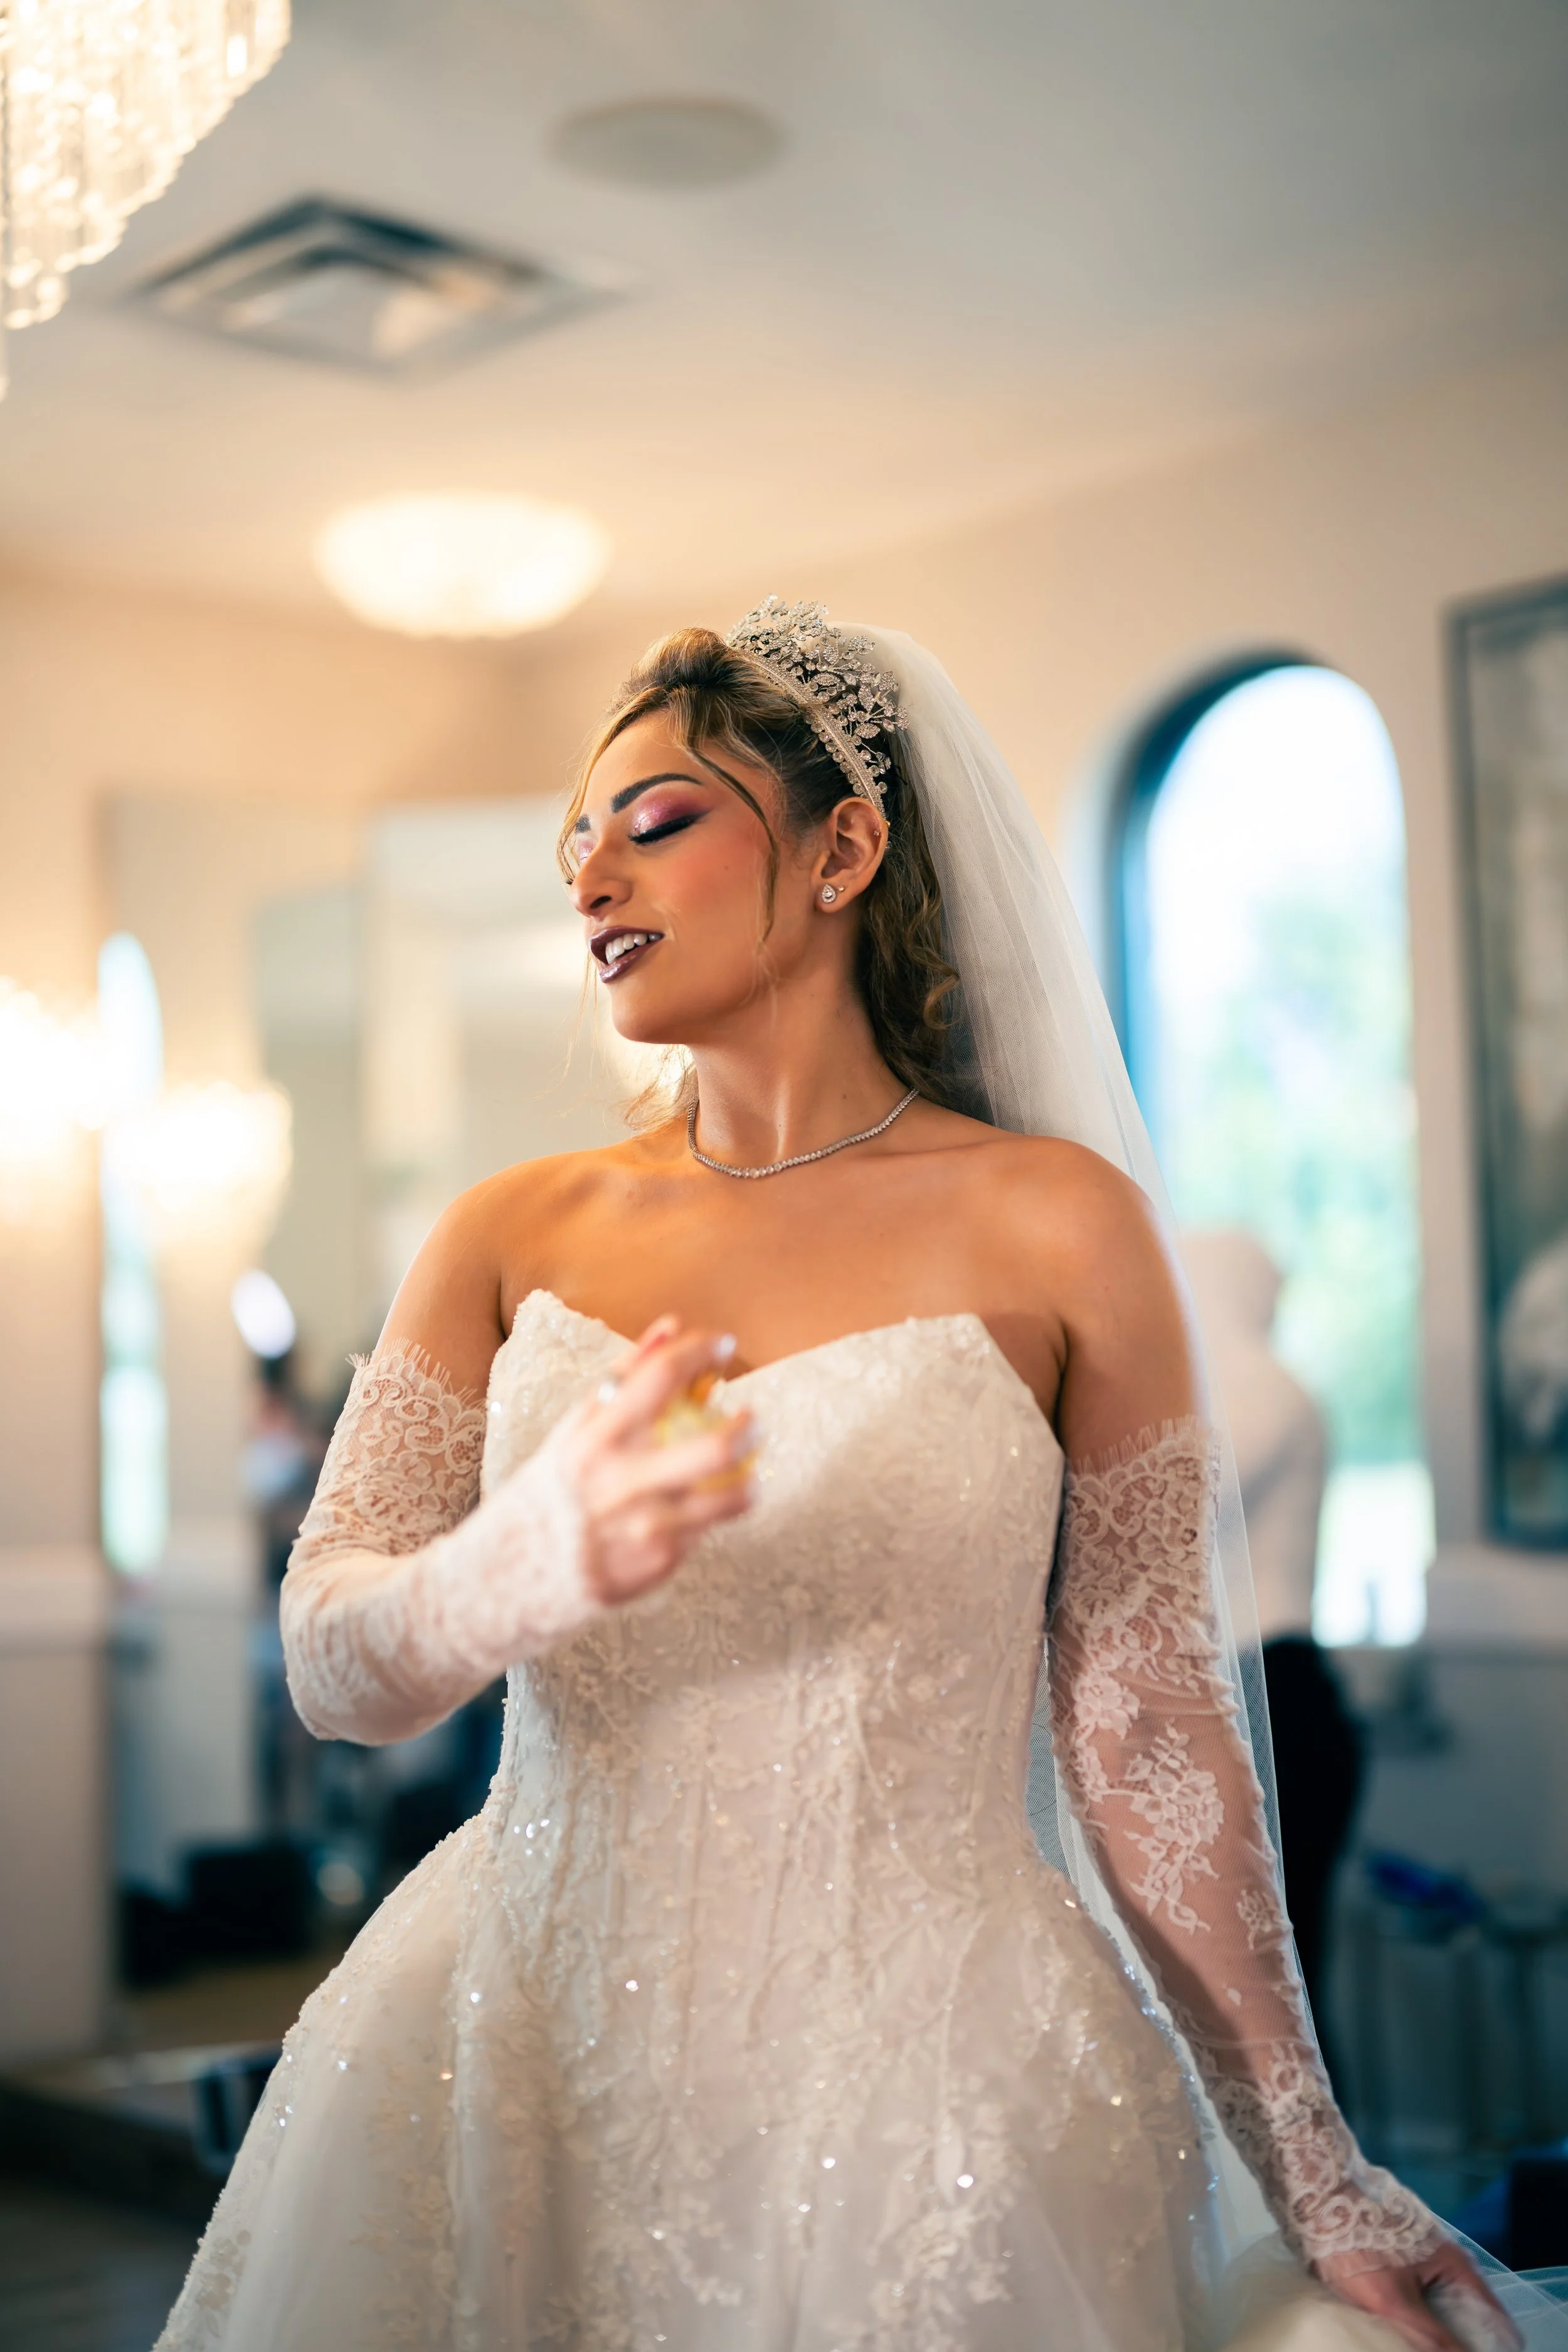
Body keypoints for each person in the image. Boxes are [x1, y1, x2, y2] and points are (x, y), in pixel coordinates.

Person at [157, 604, 1526, 2352]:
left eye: (652, 821)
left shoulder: (1059, 1222)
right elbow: (334, 1663)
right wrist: (515, 1563)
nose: (591, 876)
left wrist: (1315, 2166)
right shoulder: (510, 1232)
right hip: (523, 2041)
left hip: (943, 2079)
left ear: (844, 847)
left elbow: (1146, 1720)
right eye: (574, 841)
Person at [1180, 1231, 1365, 2043]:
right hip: (1232, 1693)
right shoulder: (1228, 1394)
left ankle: (1304, 2165)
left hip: (1277, 1696)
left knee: (1283, 1987)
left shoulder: (1265, 1392)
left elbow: (1182, 1505)